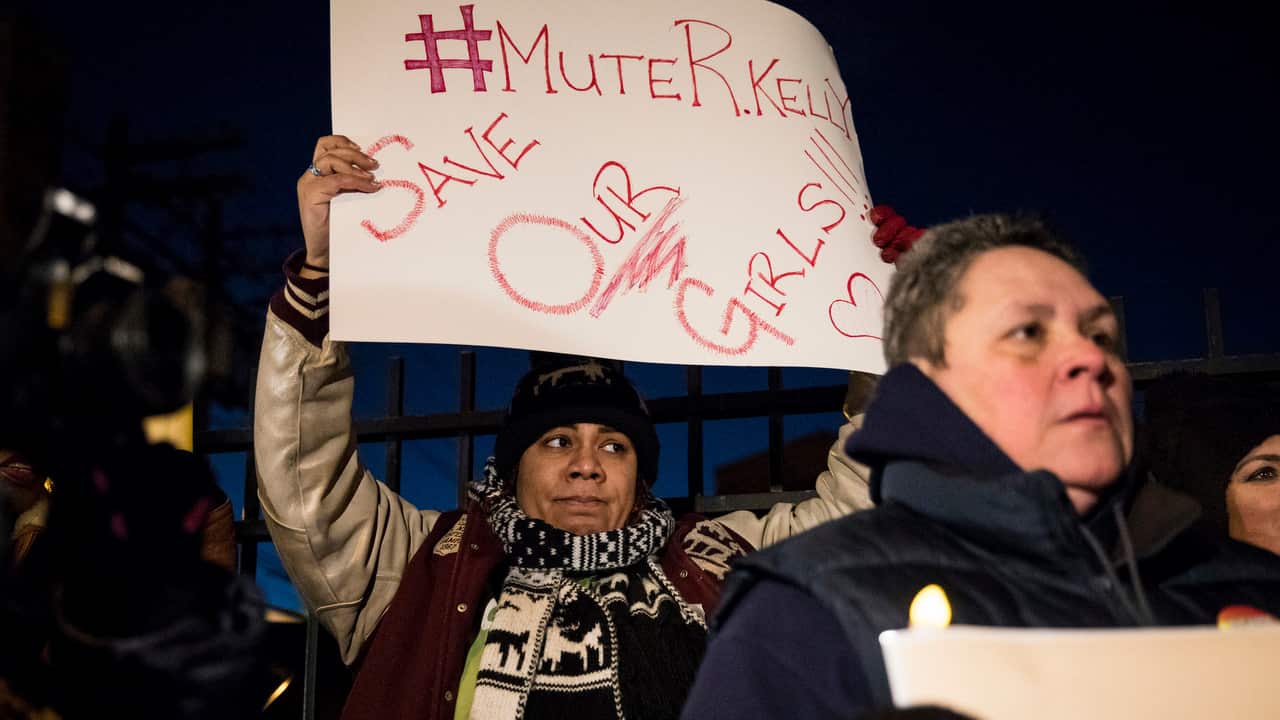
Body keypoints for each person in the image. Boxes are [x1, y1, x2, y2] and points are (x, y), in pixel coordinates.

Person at [253, 135, 877, 719]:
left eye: (614, 444)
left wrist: (884, 327)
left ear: (640, 473)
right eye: (557, 442)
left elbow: (863, 517)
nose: (587, 464)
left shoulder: (719, 560)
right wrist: (320, 274)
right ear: (513, 463)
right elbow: (305, 478)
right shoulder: (416, 564)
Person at [680, 213, 1280, 719]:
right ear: (934, 383)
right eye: (1026, 332)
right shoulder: (808, 611)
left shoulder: (1249, 587)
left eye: (1099, 336)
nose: (1087, 360)